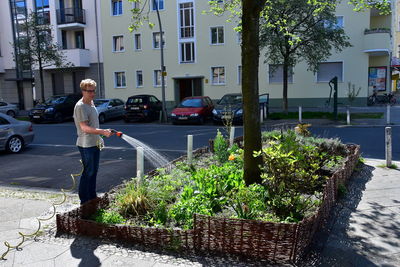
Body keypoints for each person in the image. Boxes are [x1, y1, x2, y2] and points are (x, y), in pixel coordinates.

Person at [73, 79, 114, 204]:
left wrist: (100, 136)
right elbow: (84, 128)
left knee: (93, 171)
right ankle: (84, 201)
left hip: (94, 143)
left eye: (93, 91)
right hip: (86, 145)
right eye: (89, 91)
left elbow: (93, 123)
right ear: (83, 91)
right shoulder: (80, 106)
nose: (92, 94)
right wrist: (102, 132)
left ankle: (92, 197)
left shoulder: (91, 103)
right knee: (88, 172)